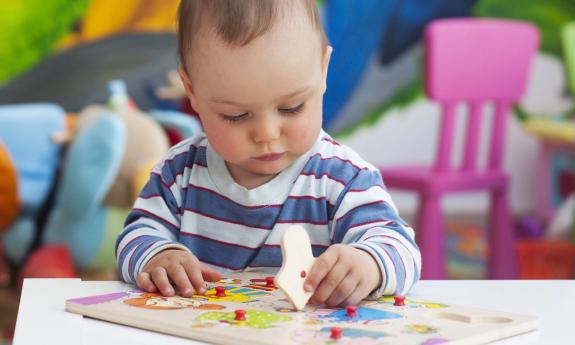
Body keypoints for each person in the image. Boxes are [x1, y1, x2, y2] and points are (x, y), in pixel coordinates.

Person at [116, 0, 421, 307]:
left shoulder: (343, 178)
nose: (267, 134)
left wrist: (368, 263)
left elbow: (401, 250)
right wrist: (158, 255)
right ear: (192, 91)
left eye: (291, 108)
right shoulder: (178, 172)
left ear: (323, 70)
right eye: (235, 115)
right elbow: (135, 236)